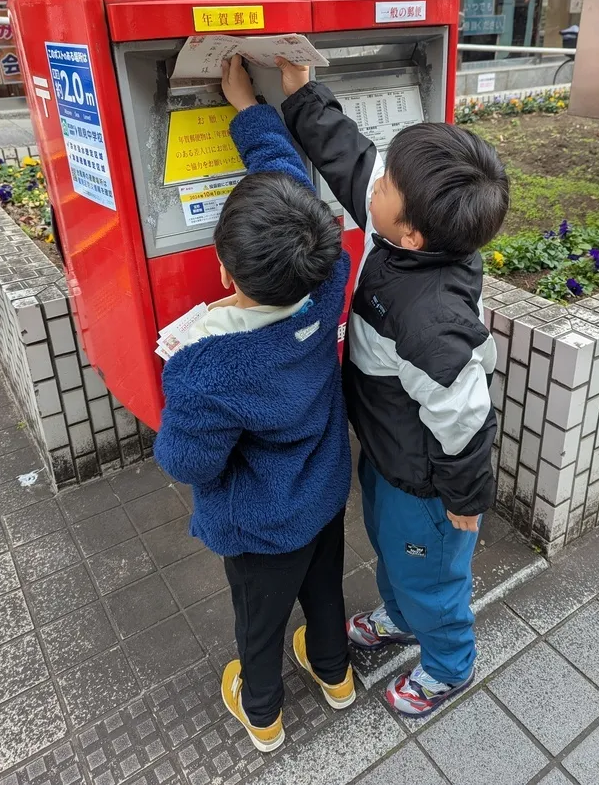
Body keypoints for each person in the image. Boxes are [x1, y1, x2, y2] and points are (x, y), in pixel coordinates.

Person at [277, 57, 509, 717]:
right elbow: (354, 163)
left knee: (432, 574)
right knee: (392, 551)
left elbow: (466, 420)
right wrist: (301, 94)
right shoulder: (409, 231)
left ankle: (448, 664)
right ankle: (402, 616)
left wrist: (466, 500)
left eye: (387, 188)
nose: (372, 186)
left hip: (429, 488)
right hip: (388, 455)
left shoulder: (434, 325)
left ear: (408, 232)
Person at [154, 56, 355, 753]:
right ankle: (335, 676)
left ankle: (262, 712)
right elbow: (288, 181)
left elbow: (185, 460)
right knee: (325, 593)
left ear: (222, 268)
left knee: (259, 624)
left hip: (262, 525)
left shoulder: (205, 368)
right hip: (324, 493)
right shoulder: (331, 277)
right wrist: (252, 110)